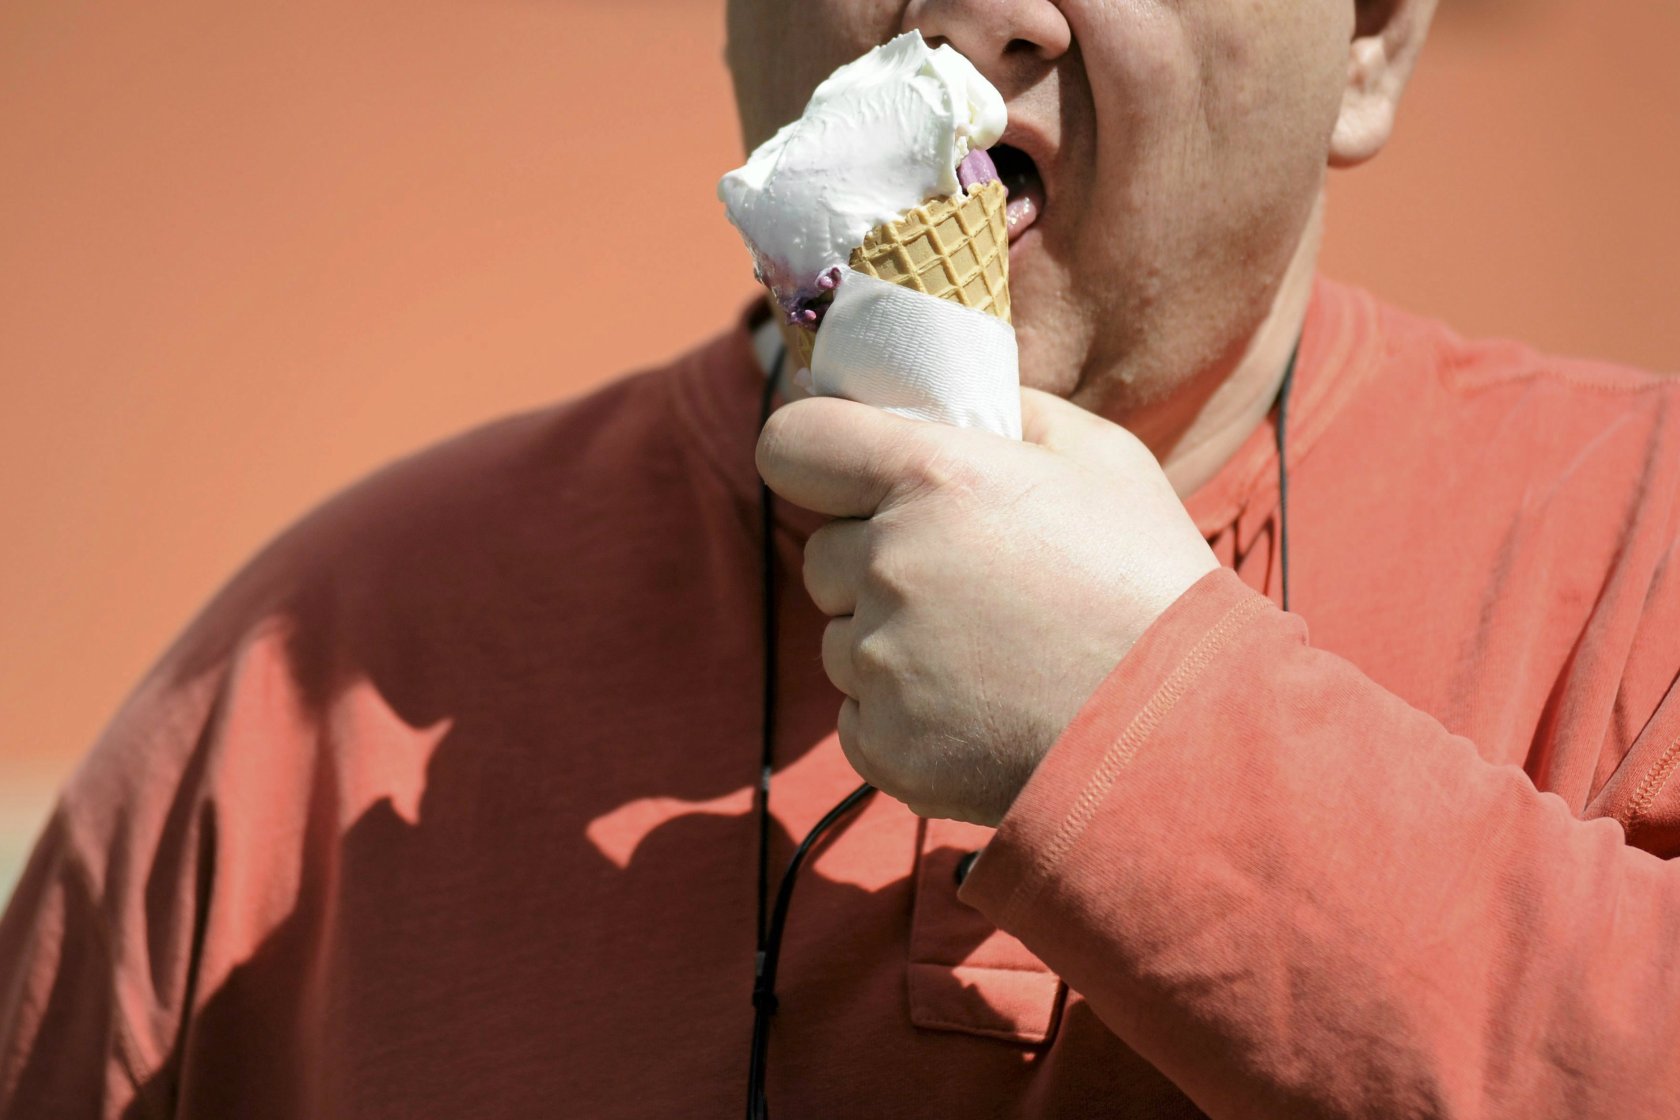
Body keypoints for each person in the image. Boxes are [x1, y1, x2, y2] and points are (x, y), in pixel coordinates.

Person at [4, 0, 1678, 1115]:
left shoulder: (1638, 553)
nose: (979, 0)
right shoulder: (301, 687)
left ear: (1373, 36)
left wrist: (1152, 735)